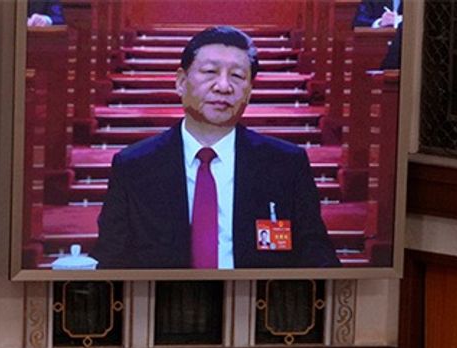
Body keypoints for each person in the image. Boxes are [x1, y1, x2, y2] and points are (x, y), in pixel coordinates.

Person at [94, 26, 339, 269]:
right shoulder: (135, 166)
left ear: (250, 90)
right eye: (210, 72)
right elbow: (110, 260)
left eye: (237, 76)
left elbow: (317, 255)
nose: (223, 86)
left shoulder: (286, 165)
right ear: (181, 82)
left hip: (256, 302)